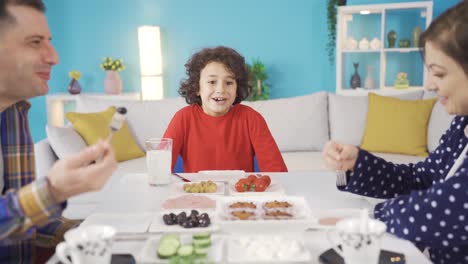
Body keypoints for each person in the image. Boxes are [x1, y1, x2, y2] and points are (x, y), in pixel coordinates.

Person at [322, 1, 468, 263]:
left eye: (439, 74)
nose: (428, 85)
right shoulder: (461, 124)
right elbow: (421, 179)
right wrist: (358, 163)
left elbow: (451, 204)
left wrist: (372, 219)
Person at [0, 0, 117, 262]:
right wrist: (52, 191)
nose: (54, 57)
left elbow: (20, 221)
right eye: (34, 42)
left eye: (49, 41)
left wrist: (81, 232)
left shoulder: (14, 113)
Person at [163, 46, 287, 173]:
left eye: (229, 83)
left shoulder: (252, 118)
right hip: (197, 192)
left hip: (240, 192)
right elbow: (161, 168)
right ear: (197, 88)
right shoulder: (182, 118)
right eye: (212, 82)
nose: (221, 90)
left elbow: (277, 171)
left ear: (237, 88)